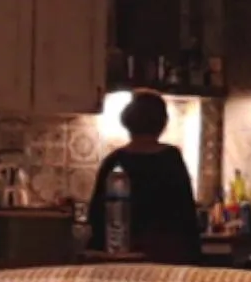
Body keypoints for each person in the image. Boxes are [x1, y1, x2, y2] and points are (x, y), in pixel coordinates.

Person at [86, 90, 202, 265]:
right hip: (165, 257)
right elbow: (187, 216)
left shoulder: (114, 161)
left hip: (121, 257)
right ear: (162, 123)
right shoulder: (171, 159)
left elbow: (96, 215)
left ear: (127, 122)